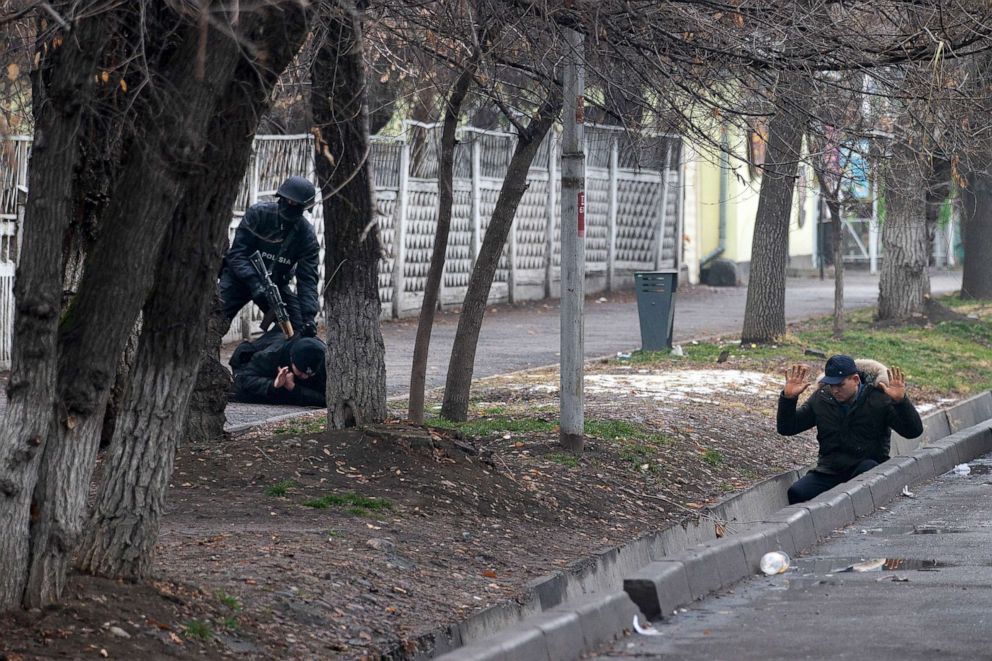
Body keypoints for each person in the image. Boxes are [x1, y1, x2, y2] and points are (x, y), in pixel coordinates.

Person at [777, 354, 923, 504]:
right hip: (831, 470)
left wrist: (901, 402)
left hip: (867, 468)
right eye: (831, 385)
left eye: (840, 385)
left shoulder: (878, 398)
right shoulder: (822, 398)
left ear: (855, 380)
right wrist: (788, 399)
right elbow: (787, 428)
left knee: (867, 474)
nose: (835, 390)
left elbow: (913, 431)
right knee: (797, 492)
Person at [220, 175, 321, 337]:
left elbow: (308, 279)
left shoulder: (306, 236)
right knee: (214, 320)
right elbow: (237, 255)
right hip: (239, 279)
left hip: (274, 287)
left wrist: (309, 317)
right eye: (287, 201)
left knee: (299, 329)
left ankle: (272, 359)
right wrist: (255, 283)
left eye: (295, 204)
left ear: (303, 208)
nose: (289, 206)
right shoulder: (258, 214)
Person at [230, 331, 327, 407]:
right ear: (292, 360)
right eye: (301, 373)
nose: (305, 376)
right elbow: (243, 379)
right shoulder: (271, 355)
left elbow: (327, 398)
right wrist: (273, 385)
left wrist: (294, 388)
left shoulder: (323, 359)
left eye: (310, 374)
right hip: (250, 364)